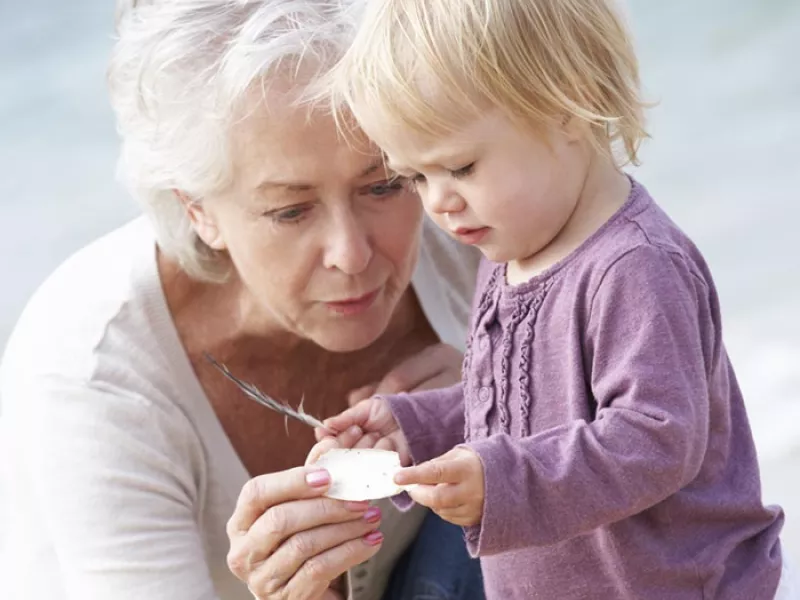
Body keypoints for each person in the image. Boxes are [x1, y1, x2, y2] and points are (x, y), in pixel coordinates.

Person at [0, 1, 485, 599]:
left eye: (383, 185)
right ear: (197, 210)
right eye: (291, 211)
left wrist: (502, 400)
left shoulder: (472, 232)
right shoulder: (96, 373)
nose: (352, 254)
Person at [311, 0, 794, 598]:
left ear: (567, 105)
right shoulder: (508, 250)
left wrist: (504, 482)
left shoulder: (635, 266)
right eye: (415, 177)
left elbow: (656, 439)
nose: (438, 202)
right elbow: (524, 407)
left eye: (460, 166)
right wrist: (416, 428)